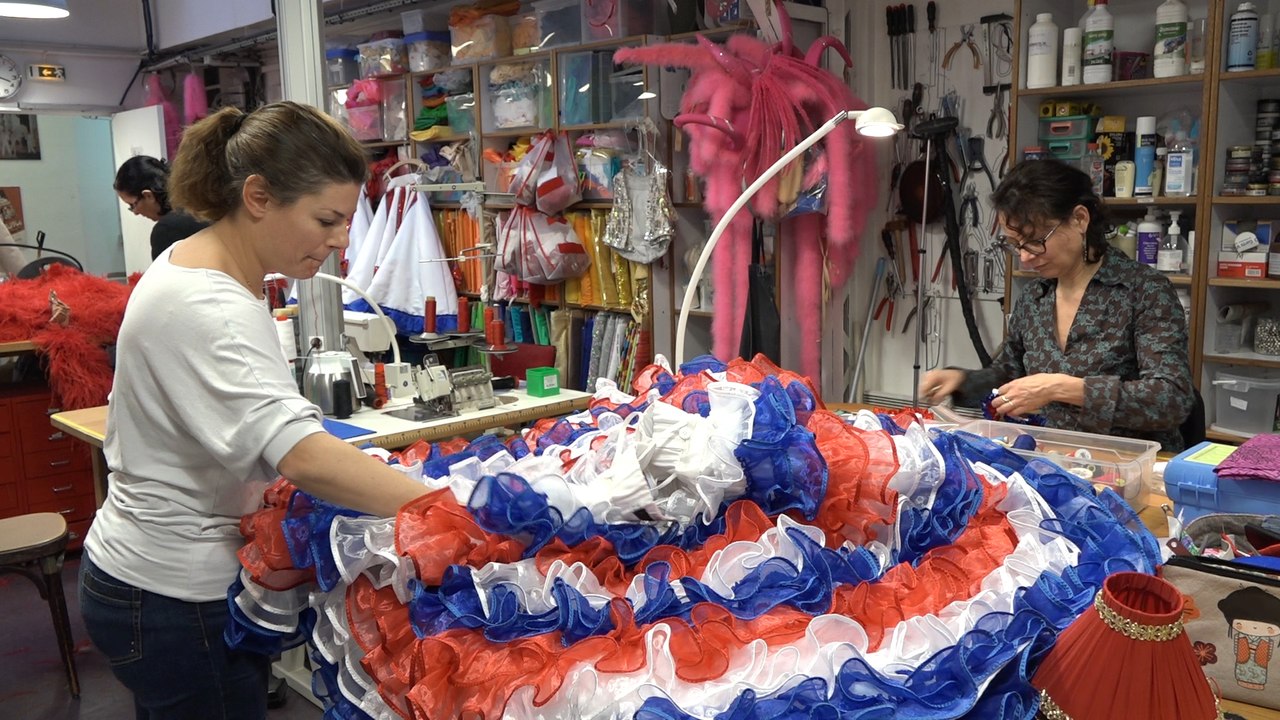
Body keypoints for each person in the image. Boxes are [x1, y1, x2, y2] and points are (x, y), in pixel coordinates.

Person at [79, 102, 430, 719]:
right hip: (172, 595)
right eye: (326, 219)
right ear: (259, 195)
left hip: (144, 575)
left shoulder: (200, 262)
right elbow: (302, 457)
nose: (341, 239)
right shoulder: (210, 301)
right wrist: (444, 510)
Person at [918, 159, 1194, 451]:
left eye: (1036, 241)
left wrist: (1060, 388)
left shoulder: (1143, 291)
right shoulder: (1035, 297)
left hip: (1127, 463)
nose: (1024, 257)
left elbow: (1172, 398)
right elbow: (1010, 374)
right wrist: (961, 380)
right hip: (1051, 458)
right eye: (1015, 245)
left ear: (1079, 219)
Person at [114, 154, 209, 259]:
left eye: (132, 205)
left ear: (148, 195)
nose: (136, 212)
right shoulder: (201, 206)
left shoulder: (168, 229)